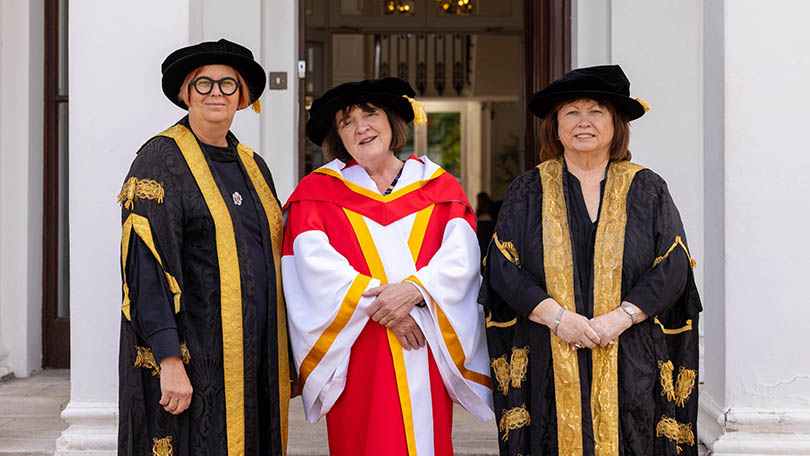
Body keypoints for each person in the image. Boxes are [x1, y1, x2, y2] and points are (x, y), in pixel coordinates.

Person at [479, 65, 702, 456]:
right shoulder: (528, 189)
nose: (583, 122)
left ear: (616, 123)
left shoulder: (647, 188)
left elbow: (673, 265)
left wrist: (619, 319)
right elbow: (501, 265)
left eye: (596, 111)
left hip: (631, 358)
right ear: (556, 125)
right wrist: (558, 318)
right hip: (547, 356)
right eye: (571, 112)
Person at [282, 77, 494, 455]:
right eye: (347, 122)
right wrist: (390, 310)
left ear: (393, 122)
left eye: (370, 114)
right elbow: (313, 270)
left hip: (423, 338)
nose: (361, 127)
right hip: (356, 344)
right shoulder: (315, 194)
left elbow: (461, 260)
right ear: (338, 137)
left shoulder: (440, 188)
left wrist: (414, 290)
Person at [117, 39, 290, 456]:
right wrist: (169, 360)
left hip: (254, 361)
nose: (217, 93)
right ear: (185, 93)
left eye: (229, 84)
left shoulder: (251, 162)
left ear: (243, 97)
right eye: (204, 83)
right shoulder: (160, 160)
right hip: (192, 358)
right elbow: (145, 270)